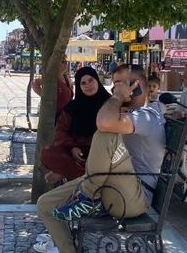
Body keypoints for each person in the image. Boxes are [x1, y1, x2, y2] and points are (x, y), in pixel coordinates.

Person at [35, 64, 165, 253]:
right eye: (114, 84)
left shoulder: (147, 116)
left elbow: (104, 124)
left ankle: (87, 197)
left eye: (120, 83)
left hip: (134, 197)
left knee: (105, 133)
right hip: (108, 184)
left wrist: (119, 96)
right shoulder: (125, 114)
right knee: (45, 204)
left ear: (135, 85)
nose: (115, 89)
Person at [40, 67, 111, 185]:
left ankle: (70, 174)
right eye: (83, 83)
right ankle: (83, 176)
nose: (88, 85)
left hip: (103, 152)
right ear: (79, 86)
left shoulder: (110, 103)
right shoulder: (72, 108)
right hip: (77, 154)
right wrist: (72, 147)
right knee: (48, 153)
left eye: (91, 80)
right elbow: (60, 131)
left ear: (97, 80)